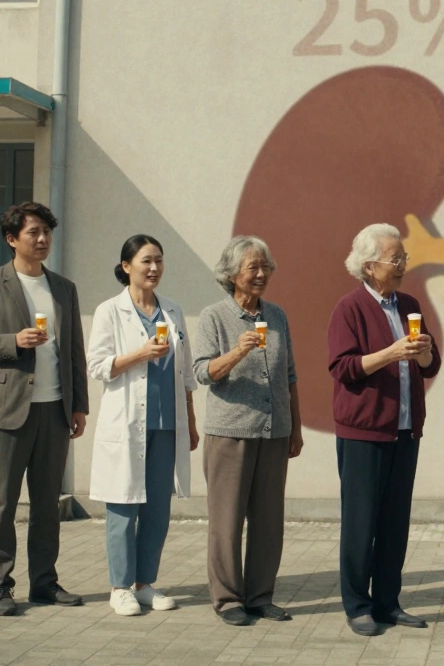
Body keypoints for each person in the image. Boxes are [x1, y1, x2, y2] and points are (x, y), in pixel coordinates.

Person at [0, 202, 89, 616]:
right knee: (2, 504)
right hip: (6, 411)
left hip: (54, 410)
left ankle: (45, 584)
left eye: (47, 232)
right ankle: (0, 585)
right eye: (33, 233)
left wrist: (79, 405)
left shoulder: (64, 288)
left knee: (47, 503)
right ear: (12, 239)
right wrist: (12, 341)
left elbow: (74, 354)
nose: (42, 239)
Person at [328, 224, 442, 636]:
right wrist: (390, 353)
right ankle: (358, 605)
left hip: (405, 430)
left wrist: (426, 354)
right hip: (363, 433)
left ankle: (388, 602)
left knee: (395, 522)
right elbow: (343, 368)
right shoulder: (349, 308)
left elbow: (431, 366)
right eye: (396, 259)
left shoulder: (409, 303)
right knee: (361, 522)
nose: (403, 265)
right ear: (369, 264)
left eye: (404, 258)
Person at [193, 235, 304, 626]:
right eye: (252, 267)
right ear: (231, 274)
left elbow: (289, 374)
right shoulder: (213, 317)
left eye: (265, 267)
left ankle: (260, 596)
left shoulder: (277, 315)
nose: (261, 274)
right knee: (226, 521)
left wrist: (295, 427)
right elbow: (202, 372)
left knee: (268, 521)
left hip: (274, 433)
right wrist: (238, 351)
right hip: (230, 434)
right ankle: (228, 600)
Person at [87, 235, 200, 616]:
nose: (154, 268)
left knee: (157, 510)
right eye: (146, 261)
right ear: (126, 267)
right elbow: (98, 365)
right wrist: (140, 354)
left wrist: (191, 421)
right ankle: (119, 587)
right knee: (123, 507)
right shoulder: (109, 311)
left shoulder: (172, 310)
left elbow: (185, 374)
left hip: (167, 426)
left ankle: (145, 583)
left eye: (159, 261)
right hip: (127, 425)